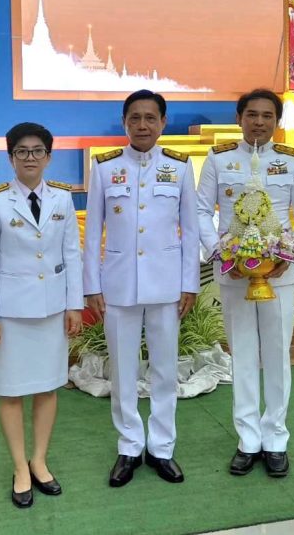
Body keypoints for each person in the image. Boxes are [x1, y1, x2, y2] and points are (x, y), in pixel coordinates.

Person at [196, 89, 294, 478]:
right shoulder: (218, 158)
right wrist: (220, 252)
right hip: (235, 273)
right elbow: (201, 211)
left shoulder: (292, 160)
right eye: (252, 114)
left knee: (277, 355)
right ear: (239, 118)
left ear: (277, 122)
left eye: (267, 116)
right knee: (243, 355)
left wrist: (290, 253)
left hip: (278, 275)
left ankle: (276, 438)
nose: (259, 122)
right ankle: (248, 439)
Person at [83, 89, 199, 488]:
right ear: (124, 122)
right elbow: (92, 232)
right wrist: (92, 285)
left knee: (165, 370)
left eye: (151, 118)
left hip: (167, 285)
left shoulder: (180, 167)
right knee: (123, 370)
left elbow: (190, 230)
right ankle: (130, 445)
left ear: (163, 122)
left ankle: (162, 447)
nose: (143, 125)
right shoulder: (104, 167)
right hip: (118, 286)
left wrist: (189, 283)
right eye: (135, 117)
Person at [0, 122, 83, 509]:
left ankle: (39, 460)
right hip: (11, 315)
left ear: (49, 157)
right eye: (22, 151)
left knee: (47, 387)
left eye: (38, 151)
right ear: (11, 158)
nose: (30, 158)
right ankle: (20, 467)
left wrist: (74, 305)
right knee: (10, 391)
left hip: (52, 310)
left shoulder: (63, 199)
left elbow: (72, 255)